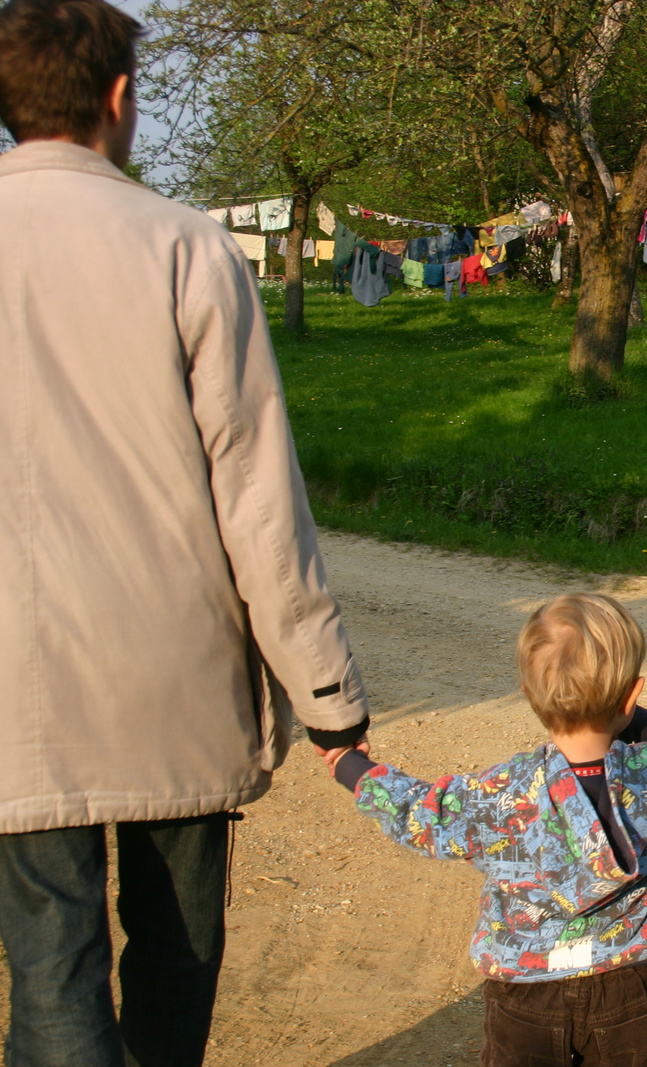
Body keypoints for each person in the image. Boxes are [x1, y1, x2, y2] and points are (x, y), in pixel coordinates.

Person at [0, 1, 371, 1064]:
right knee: (176, 950)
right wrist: (328, 695)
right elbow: (257, 496)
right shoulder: (188, 246)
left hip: (11, 690)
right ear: (120, 99)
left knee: (48, 973)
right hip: (166, 673)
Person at [318, 593, 647, 1067]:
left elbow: (422, 814)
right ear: (630, 695)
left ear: (530, 694)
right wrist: (637, 718)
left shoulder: (506, 793)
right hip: (631, 977)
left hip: (525, 988)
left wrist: (353, 768)